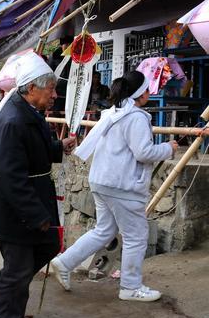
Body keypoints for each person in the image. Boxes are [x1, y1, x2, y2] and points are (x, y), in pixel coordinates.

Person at [50, 70, 177, 302]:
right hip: (122, 185)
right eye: (147, 89)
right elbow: (143, 152)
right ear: (140, 94)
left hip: (102, 181)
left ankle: (65, 262)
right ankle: (130, 286)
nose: (150, 92)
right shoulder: (136, 117)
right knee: (136, 236)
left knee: (104, 230)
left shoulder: (114, 113)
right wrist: (169, 148)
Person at [0, 54, 76, 318]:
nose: (55, 95)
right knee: (19, 269)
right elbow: (11, 177)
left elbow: (33, 152)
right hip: (15, 207)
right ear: (32, 88)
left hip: (28, 199)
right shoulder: (14, 120)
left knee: (47, 248)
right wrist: (35, 215)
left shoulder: (29, 112)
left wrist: (57, 148)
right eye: (51, 89)